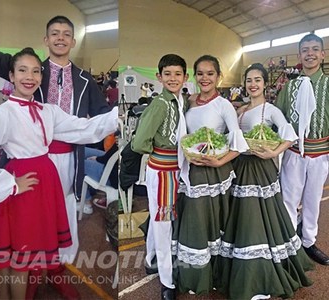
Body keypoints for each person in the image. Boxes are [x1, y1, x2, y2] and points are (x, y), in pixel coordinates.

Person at [0, 16, 111, 298]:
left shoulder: (84, 79)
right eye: (54, 33)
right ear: (46, 39)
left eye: (67, 34)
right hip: (30, 159)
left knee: (62, 214)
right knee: (28, 221)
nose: (60, 38)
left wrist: (116, 120)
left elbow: (99, 114)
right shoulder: (31, 68)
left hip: (68, 158)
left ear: (73, 41)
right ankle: (30, 272)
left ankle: (55, 271)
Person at [216, 63, 313, 299]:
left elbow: (289, 134)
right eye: (249, 80)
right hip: (239, 166)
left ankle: (260, 273)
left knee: (258, 216)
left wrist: (272, 153)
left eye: (257, 80)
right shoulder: (240, 110)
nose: (253, 84)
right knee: (240, 216)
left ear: (265, 83)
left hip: (261, 169)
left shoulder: (271, 110)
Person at [172, 55, 248, 297]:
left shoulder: (224, 105)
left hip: (214, 174)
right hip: (191, 171)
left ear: (219, 76)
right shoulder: (189, 101)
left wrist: (218, 161)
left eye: (210, 73)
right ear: (194, 76)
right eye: (201, 73)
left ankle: (212, 275)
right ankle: (192, 273)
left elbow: (237, 143)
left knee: (211, 225)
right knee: (193, 225)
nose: (205, 78)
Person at [131, 54, 189, 300]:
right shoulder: (160, 104)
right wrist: (161, 153)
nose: (173, 78)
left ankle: (150, 258)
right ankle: (167, 281)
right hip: (163, 171)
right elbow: (138, 142)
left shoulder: (179, 100)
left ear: (185, 77)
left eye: (178, 74)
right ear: (159, 77)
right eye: (168, 74)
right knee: (163, 223)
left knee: (159, 219)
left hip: (174, 169)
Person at [275, 33, 329, 266]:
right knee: (289, 198)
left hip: (321, 153)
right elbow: (279, 117)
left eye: (315, 49)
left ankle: (308, 241)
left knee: (312, 199)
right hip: (293, 152)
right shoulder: (290, 87)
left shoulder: (328, 84)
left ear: (322, 54)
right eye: (305, 50)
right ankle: (288, 243)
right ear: (299, 55)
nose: (310, 54)